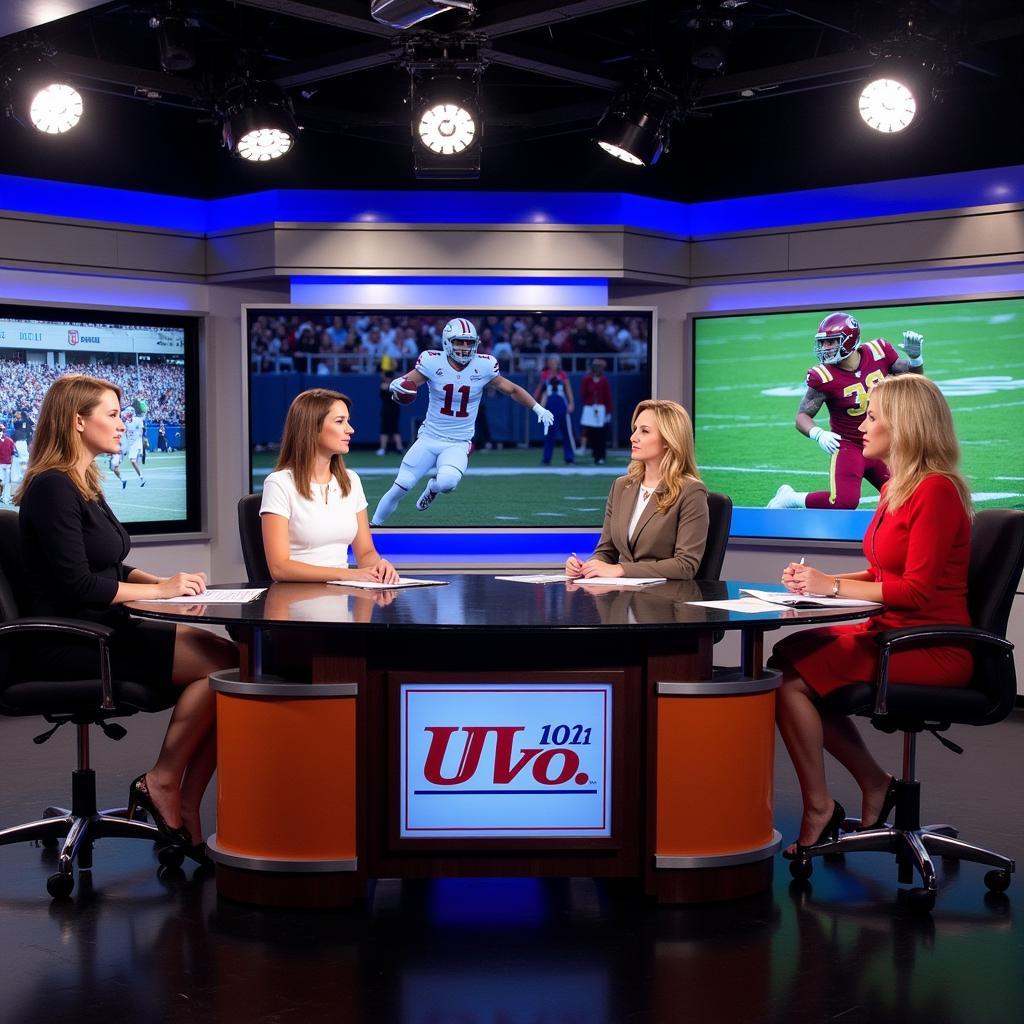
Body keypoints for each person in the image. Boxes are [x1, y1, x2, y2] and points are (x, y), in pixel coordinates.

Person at [15, 375, 236, 856]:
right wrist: (155, 592)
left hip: (100, 628)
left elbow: (109, 565)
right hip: (68, 642)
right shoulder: (51, 488)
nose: (123, 424)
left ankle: (181, 800)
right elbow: (77, 584)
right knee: (223, 666)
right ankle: (162, 783)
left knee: (232, 660)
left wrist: (162, 583)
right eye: (112, 414)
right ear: (78, 421)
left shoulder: (82, 481)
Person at [769, 374, 973, 858]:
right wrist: (819, 579)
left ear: (903, 426)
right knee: (787, 655)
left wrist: (833, 588)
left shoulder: (936, 490)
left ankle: (823, 805)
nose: (863, 424)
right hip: (894, 632)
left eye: (875, 416)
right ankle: (873, 782)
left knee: (785, 678)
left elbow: (919, 591)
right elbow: (884, 570)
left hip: (931, 645)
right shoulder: (900, 487)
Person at [370, 318, 555, 524]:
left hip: (458, 442)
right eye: (460, 341)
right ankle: (374, 526)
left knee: (448, 482)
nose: (465, 347)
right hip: (429, 437)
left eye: (469, 342)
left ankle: (433, 487)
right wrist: (398, 387)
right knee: (402, 485)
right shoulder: (432, 362)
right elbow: (406, 385)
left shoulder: (484, 365)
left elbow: (512, 389)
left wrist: (537, 408)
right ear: (447, 342)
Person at [767, 313, 924, 510]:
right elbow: (802, 416)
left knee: (907, 495)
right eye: (823, 343)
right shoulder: (823, 376)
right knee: (844, 502)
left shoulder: (879, 352)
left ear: (850, 340)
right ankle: (790, 498)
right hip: (849, 446)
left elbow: (915, 384)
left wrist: (916, 359)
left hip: (881, 443)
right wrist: (819, 434)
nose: (825, 348)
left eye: (831, 342)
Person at [261, 388, 399, 583]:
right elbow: (280, 568)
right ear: (312, 428)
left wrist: (379, 566)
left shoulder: (351, 481)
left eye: (347, 421)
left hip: (341, 600)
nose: (350, 429)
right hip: (293, 603)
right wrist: (349, 575)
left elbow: (366, 553)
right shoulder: (279, 484)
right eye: (340, 421)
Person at [565, 399, 709, 580]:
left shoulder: (691, 491)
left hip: (665, 602)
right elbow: (606, 551)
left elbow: (685, 565)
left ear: (668, 439)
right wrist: (588, 567)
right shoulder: (621, 486)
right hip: (620, 600)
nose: (633, 437)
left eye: (645, 431)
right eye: (635, 429)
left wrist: (622, 570)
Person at [534, 355, 576, 466]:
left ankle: (569, 458)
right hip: (549, 404)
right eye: (550, 362)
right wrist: (536, 403)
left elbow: (568, 389)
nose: (552, 364)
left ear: (558, 363)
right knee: (549, 432)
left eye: (554, 362)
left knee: (566, 432)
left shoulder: (562, 375)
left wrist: (571, 403)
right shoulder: (545, 375)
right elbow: (540, 390)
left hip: (561, 403)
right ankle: (546, 458)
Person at [579, 358, 613, 464]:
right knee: (591, 432)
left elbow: (607, 396)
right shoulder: (586, 379)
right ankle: (595, 454)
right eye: (596, 367)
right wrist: (590, 404)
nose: (598, 369)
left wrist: (608, 410)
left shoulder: (604, 380)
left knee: (601, 433)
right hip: (590, 408)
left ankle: (601, 455)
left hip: (601, 408)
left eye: (600, 367)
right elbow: (583, 394)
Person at [376, 361, 406, 457]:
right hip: (391, 410)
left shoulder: (387, 385)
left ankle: (393, 448)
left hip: (390, 410)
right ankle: (391, 448)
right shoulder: (391, 385)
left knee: (391, 429)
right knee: (389, 429)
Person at [120, 406, 146, 488]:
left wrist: (139, 439)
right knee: (134, 461)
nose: (127, 415)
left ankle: (141, 477)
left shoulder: (138, 420)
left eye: (128, 413)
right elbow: (125, 432)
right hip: (131, 443)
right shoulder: (126, 422)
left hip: (136, 442)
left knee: (132, 460)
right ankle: (141, 477)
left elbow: (141, 431)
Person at [11, 409, 32, 486]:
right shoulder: (17, 422)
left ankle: (24, 476)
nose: (18, 415)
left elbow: (30, 423)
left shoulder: (25, 421)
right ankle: (23, 477)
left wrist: (25, 415)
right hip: (20, 440)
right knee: (23, 459)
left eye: (19, 414)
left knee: (25, 458)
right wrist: (17, 416)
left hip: (24, 440)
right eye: (17, 414)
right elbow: (17, 423)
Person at [0, 422, 14, 503]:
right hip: (7, 464)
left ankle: (4, 497)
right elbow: (13, 454)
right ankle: (6, 498)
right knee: (7, 483)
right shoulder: (10, 440)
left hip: (1, 464)